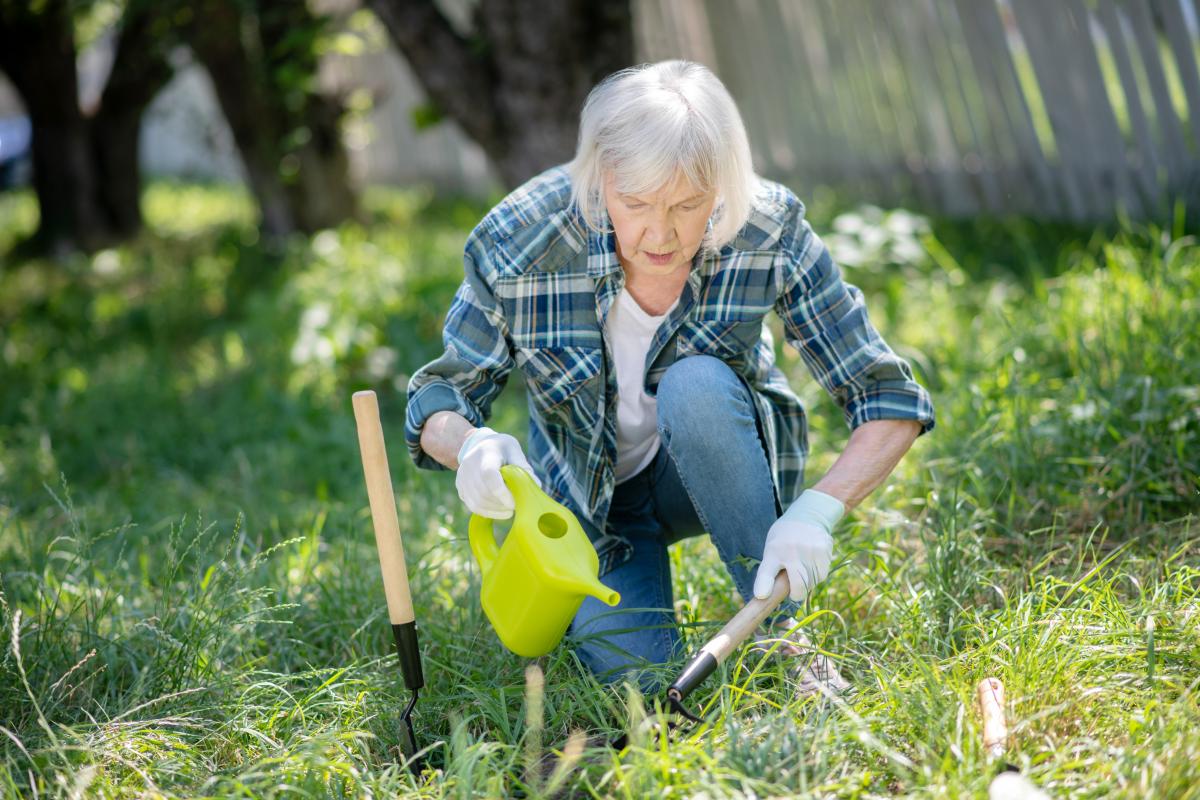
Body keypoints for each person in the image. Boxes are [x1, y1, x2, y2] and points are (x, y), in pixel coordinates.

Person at [404, 60, 935, 694]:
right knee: (640, 684)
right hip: (591, 505)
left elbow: (889, 398)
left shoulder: (767, 230)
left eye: (688, 205)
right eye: (636, 204)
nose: (661, 233)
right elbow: (439, 397)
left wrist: (817, 512)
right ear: (602, 178)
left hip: (716, 465)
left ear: (723, 187)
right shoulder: (520, 240)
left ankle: (785, 643)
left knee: (697, 384)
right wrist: (470, 446)